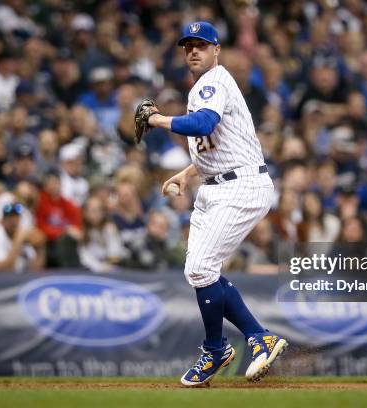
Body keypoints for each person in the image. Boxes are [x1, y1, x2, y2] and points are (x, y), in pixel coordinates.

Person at [141, 21, 288, 386]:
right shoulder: (204, 87)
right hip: (218, 184)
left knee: (202, 267)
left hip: (241, 186)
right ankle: (257, 337)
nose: (193, 51)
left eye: (201, 45)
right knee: (199, 270)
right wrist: (188, 174)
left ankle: (216, 347)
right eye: (188, 46)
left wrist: (157, 119)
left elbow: (204, 124)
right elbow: (222, 142)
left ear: (216, 50)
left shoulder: (214, 81)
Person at [0, 202, 45, 273]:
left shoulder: (20, 234)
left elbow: (34, 269)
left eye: (16, 217)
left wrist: (40, 248)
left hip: (18, 281)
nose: (14, 221)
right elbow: (3, 271)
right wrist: (18, 240)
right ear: (2, 220)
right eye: (10, 218)